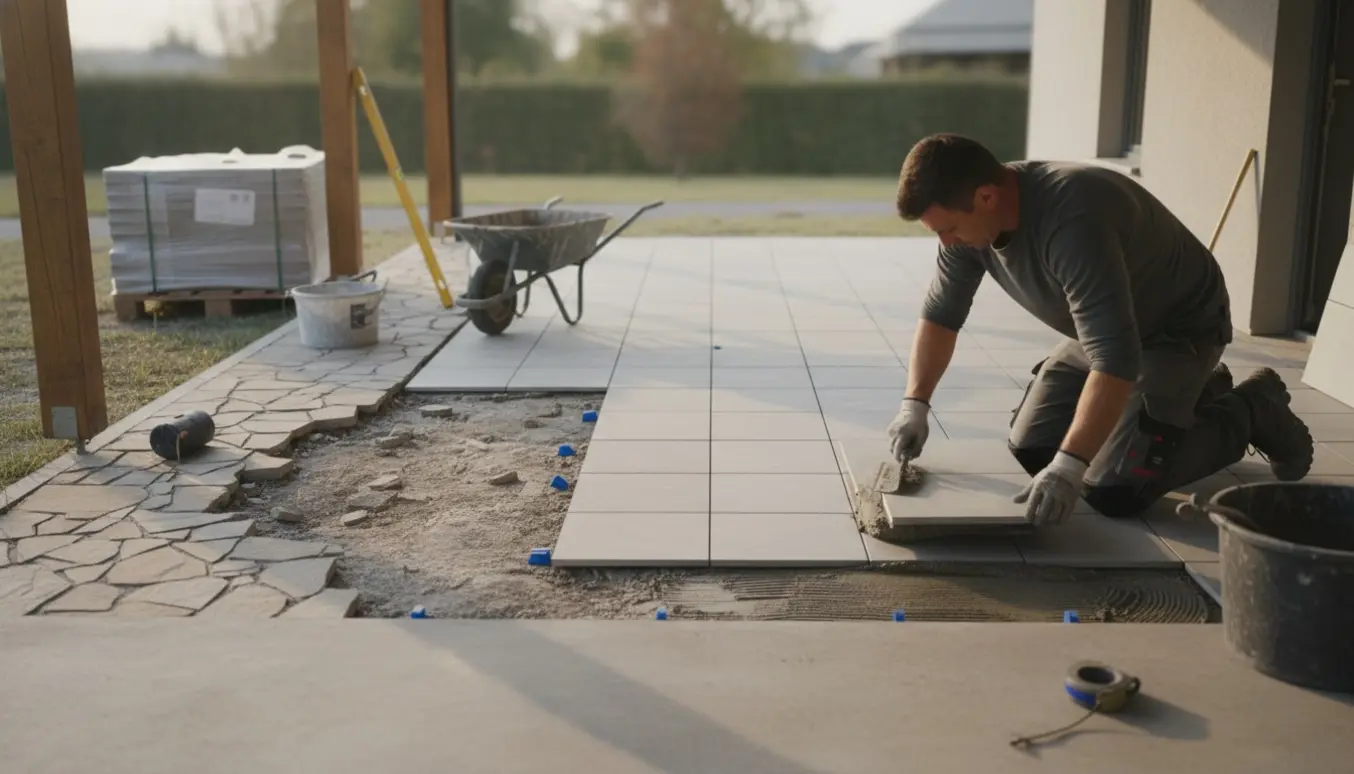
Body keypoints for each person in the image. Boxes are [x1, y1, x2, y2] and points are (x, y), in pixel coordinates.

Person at [885, 133, 1313, 526]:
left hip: (1177, 331)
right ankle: (1189, 395)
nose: (945, 243)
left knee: (1112, 490)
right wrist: (914, 405)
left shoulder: (1073, 220)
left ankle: (1252, 410)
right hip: (1103, 330)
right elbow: (941, 315)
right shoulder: (970, 224)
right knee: (1032, 452)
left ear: (985, 196)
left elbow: (1115, 358)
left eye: (947, 229)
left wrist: (1069, 466)